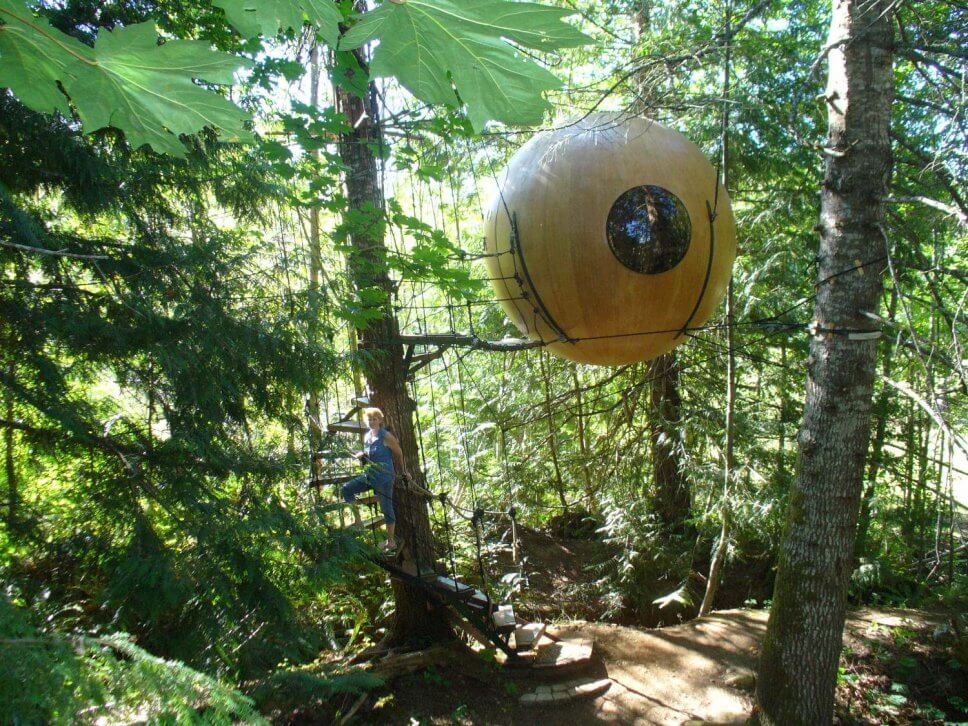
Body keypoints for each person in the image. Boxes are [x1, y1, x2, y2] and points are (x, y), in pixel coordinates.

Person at [340, 407, 408, 552]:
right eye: (369, 419)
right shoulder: (367, 436)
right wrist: (362, 454)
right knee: (346, 489)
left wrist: (404, 472)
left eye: (374, 419)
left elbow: (399, 453)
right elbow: (369, 453)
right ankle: (358, 522)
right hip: (370, 476)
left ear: (380, 420)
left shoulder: (386, 436)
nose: (371, 422)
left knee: (386, 508)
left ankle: (391, 542)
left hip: (384, 478)